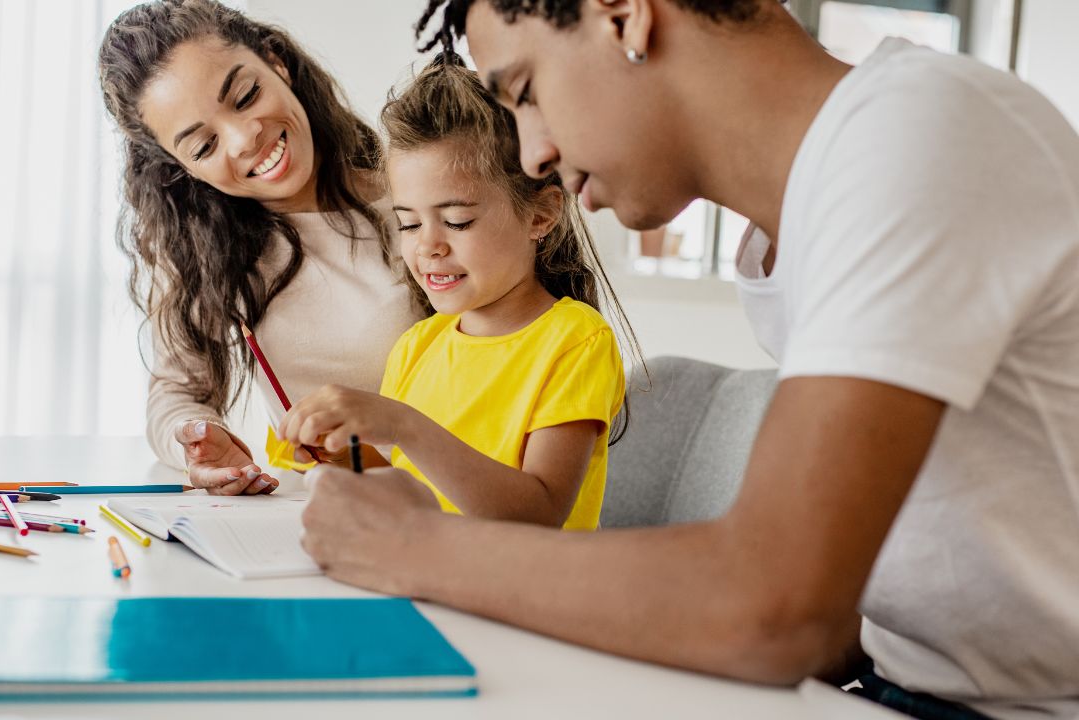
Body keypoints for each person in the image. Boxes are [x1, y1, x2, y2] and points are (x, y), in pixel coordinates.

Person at [297, 1, 1079, 718]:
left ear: (624, 16)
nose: (534, 151)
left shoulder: (916, 139)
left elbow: (778, 605)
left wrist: (411, 548)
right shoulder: (786, 233)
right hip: (892, 685)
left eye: (527, 90)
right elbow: (848, 600)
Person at [277, 58, 629, 528]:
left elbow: (538, 516)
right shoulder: (418, 345)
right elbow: (414, 494)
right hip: (431, 579)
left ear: (540, 216)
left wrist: (404, 424)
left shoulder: (576, 342)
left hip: (523, 596)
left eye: (458, 221)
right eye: (408, 223)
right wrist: (336, 454)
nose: (427, 245)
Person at [97, 0, 422, 494]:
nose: (244, 139)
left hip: (457, 506)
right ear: (182, 169)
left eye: (245, 96)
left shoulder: (418, 201)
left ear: (276, 63)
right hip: (333, 515)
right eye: (204, 147)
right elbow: (178, 392)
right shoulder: (205, 252)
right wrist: (198, 442)